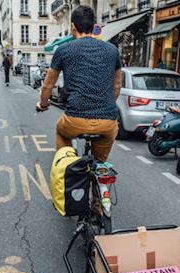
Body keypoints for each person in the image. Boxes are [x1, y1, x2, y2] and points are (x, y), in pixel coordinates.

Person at [36, 5, 122, 162]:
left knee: (61, 131)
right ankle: (100, 178)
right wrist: (104, 104)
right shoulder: (112, 50)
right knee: (99, 162)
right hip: (108, 121)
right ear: (93, 26)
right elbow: (117, 86)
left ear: (73, 26)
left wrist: (43, 104)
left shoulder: (64, 50)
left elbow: (48, 85)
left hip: (75, 119)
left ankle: (67, 165)